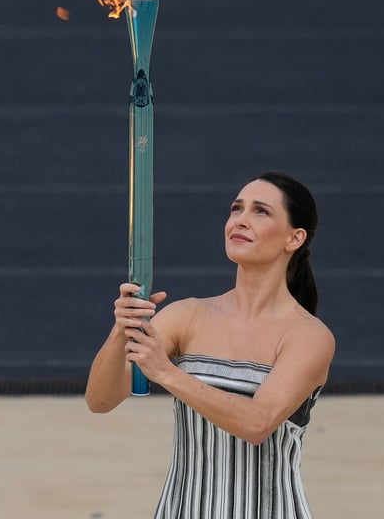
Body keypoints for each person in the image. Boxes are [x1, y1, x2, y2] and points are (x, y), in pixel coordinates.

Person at [84, 172, 335, 519]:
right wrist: (119, 331)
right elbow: (99, 400)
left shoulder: (308, 336)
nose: (240, 220)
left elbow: (257, 423)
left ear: (294, 238)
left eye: (260, 211)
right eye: (236, 209)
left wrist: (166, 373)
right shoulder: (187, 316)